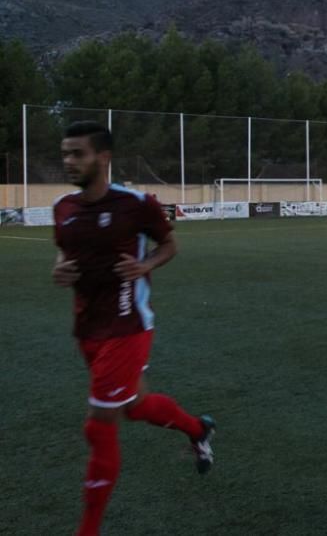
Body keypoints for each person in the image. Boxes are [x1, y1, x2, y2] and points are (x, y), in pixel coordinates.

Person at [51, 121, 214, 536]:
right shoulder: (63, 208)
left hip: (128, 326)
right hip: (87, 327)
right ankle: (198, 429)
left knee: (99, 420)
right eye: (66, 153)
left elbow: (169, 245)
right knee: (135, 406)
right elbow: (64, 256)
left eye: (78, 153)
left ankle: (87, 530)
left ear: (102, 157)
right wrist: (61, 270)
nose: (69, 161)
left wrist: (145, 265)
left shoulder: (136, 204)